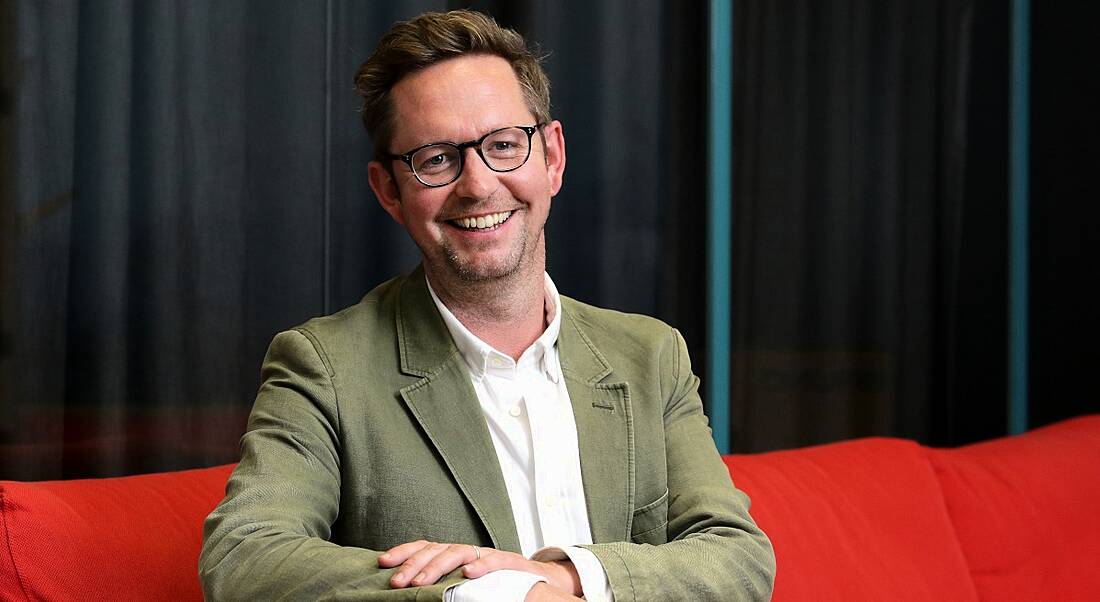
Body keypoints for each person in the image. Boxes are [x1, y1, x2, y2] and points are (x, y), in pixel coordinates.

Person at [199, 10, 774, 601]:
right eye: (438, 158)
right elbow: (246, 556)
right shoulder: (324, 367)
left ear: (552, 157)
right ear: (389, 190)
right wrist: (495, 594)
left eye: (504, 144)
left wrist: (568, 575)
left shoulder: (650, 356)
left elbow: (738, 558)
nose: (477, 185)